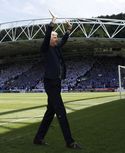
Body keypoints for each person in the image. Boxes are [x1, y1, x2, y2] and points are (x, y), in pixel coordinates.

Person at [33, 13, 81, 150]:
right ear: (49, 39)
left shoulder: (56, 48)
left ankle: (38, 138)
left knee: (50, 113)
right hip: (51, 83)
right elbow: (48, 36)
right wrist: (51, 24)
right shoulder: (45, 49)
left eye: (56, 37)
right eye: (54, 37)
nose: (56, 38)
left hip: (56, 83)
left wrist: (68, 30)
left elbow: (63, 40)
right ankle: (70, 142)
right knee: (61, 111)